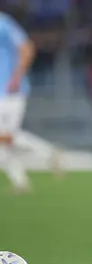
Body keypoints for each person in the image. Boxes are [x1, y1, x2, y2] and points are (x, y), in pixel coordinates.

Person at [0, 11, 36, 194]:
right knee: (5, 141)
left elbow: (27, 48)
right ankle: (21, 183)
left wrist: (17, 76)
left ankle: (48, 153)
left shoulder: (4, 23)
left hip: (10, 91)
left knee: (6, 138)